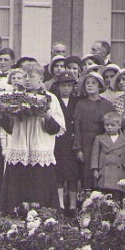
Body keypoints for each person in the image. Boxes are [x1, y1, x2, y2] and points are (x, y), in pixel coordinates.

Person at [0, 62, 65, 215]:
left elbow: (56, 129)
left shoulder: (50, 98)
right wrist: (3, 112)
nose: (27, 80)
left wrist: (46, 115)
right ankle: (15, 214)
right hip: (20, 147)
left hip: (39, 148)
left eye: (31, 76)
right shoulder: (15, 98)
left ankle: (42, 216)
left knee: (39, 188)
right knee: (18, 185)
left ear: (41, 78)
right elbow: (9, 128)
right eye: (24, 76)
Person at [73, 72, 116, 191]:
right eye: (87, 83)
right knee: (87, 174)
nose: (90, 85)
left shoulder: (107, 105)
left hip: (103, 144)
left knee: (102, 172)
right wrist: (78, 149)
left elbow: (114, 126)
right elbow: (76, 128)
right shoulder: (80, 105)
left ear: (99, 86)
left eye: (93, 83)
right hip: (86, 144)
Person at [51, 71, 80, 217]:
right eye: (63, 85)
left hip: (73, 142)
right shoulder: (54, 101)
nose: (66, 88)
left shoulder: (77, 102)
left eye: (69, 85)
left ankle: (73, 206)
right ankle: (61, 205)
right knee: (59, 173)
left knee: (72, 174)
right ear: (58, 86)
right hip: (58, 142)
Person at [91, 112, 125, 203]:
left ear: (119, 126)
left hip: (119, 172)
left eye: (112, 125)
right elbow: (95, 155)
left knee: (117, 196)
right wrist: (95, 169)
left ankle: (118, 214)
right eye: (107, 125)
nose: (109, 127)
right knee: (104, 197)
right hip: (104, 171)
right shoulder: (100, 139)